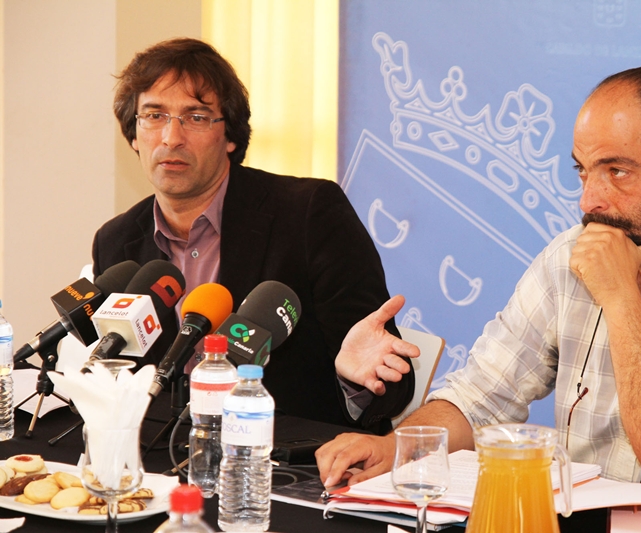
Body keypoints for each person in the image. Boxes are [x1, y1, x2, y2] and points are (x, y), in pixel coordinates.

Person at [315, 66, 641, 498]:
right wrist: (393, 449)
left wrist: (619, 295)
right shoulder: (571, 254)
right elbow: (483, 394)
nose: (591, 200)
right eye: (584, 171)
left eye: (618, 171)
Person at [92, 38, 418, 434]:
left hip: (287, 464)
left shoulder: (310, 213)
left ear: (230, 136)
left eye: (195, 117)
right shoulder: (116, 242)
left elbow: (390, 385)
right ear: (133, 134)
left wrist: (356, 381)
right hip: (162, 461)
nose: (171, 138)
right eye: (154, 115)